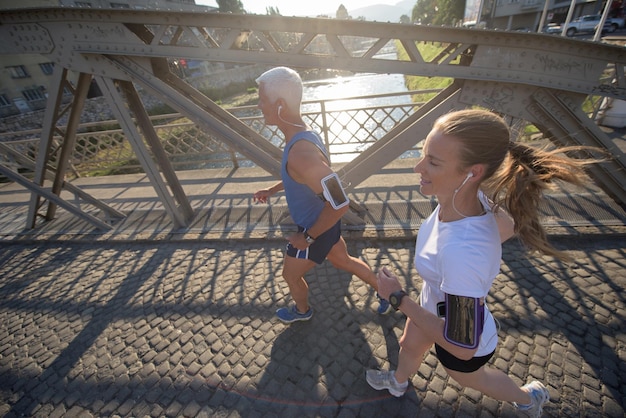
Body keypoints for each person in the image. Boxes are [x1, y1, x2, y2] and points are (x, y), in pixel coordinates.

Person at [366, 109, 600, 417]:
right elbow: (504, 227)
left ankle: (528, 398)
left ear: (472, 173)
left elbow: (462, 346)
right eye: (424, 154)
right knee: (409, 345)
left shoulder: (462, 252)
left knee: (474, 378)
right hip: (434, 305)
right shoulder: (471, 203)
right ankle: (398, 382)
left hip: (463, 341)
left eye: (433, 162)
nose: (418, 166)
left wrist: (397, 297)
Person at [252, 66, 391, 323]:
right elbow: (303, 178)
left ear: (280, 104)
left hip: (315, 228)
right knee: (344, 261)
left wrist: (307, 237)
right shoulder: (305, 134)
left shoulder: (301, 154)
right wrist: (272, 190)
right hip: (323, 226)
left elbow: (339, 203)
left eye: (262, 100)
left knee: (290, 276)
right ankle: (388, 293)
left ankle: (302, 311)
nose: (259, 106)